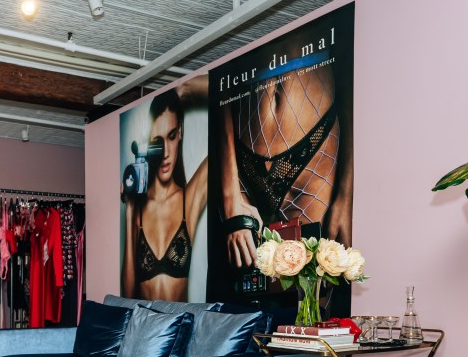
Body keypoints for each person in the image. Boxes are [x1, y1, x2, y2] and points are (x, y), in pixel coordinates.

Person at [217, 47, 353, 270]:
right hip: (242, 159)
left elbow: (348, 78)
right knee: (252, 285)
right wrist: (229, 199)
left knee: (313, 286)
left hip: (315, 153)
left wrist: (346, 198)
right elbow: (221, 86)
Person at [122, 83, 209, 302]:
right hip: (146, 329)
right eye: (157, 143)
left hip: (180, 329)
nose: (166, 153)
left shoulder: (189, 199)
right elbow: (128, 296)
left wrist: (183, 89)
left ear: (180, 133)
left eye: (171, 136)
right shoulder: (139, 209)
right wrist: (130, 210)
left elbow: (231, 118)